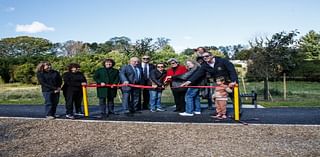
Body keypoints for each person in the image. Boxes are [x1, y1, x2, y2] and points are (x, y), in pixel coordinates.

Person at [181, 51, 240, 117]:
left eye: (207, 56)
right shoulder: (205, 65)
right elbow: (198, 74)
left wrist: (234, 81)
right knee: (217, 98)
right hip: (218, 83)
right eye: (203, 57)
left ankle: (237, 112)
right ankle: (219, 112)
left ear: (212, 56)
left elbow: (231, 70)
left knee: (234, 97)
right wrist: (189, 81)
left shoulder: (223, 61)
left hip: (229, 82)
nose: (205, 58)